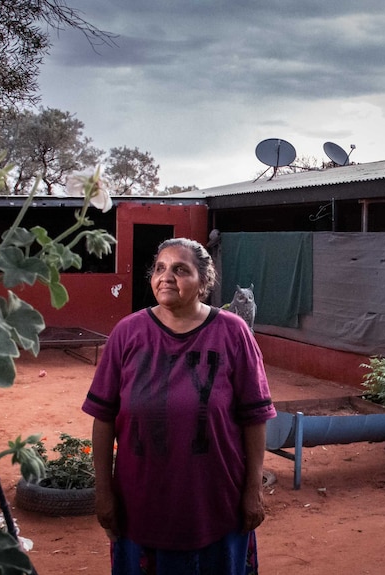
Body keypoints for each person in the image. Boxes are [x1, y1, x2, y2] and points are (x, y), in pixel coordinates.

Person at [82, 237, 276, 575]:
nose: (166, 277)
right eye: (160, 268)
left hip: (216, 506)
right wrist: (103, 493)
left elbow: (254, 418)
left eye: (180, 270)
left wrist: (253, 491)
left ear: (204, 283)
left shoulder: (233, 333)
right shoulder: (127, 334)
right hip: (140, 507)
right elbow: (103, 419)